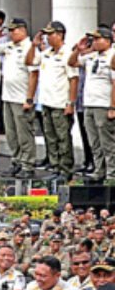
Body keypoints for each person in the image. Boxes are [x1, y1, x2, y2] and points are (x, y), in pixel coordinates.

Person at [26, 21, 79, 182]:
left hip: (61, 103)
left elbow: (73, 79)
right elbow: (29, 62)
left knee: (63, 138)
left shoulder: (67, 53)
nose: (48, 38)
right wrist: (33, 46)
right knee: (50, 137)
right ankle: (55, 167)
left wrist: (71, 103)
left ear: (60, 34)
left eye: (51, 34)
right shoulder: (46, 53)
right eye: (47, 35)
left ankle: (66, 169)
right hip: (46, 102)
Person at [69, 27, 115, 182]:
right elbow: (72, 62)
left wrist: (112, 106)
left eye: (98, 39)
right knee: (94, 141)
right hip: (89, 103)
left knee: (107, 142)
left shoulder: (112, 57)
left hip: (103, 104)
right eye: (93, 39)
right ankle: (99, 170)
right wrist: (78, 49)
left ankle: (111, 172)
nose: (94, 42)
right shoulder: (91, 56)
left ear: (108, 41)